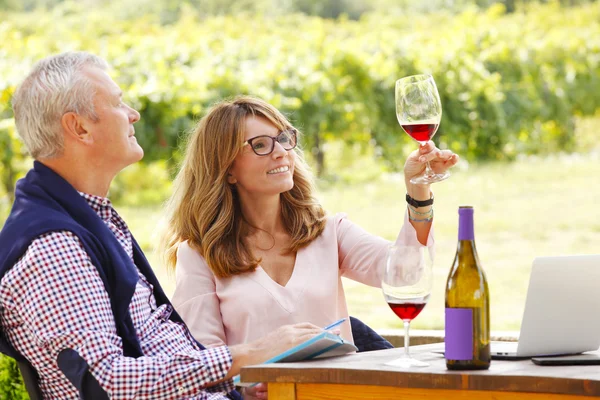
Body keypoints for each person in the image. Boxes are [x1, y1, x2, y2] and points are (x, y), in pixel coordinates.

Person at [0, 52, 324, 400]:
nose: (133, 114)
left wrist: (237, 386)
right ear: (79, 127)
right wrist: (249, 354)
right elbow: (106, 381)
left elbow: (149, 347)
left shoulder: (87, 220)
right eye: (118, 102)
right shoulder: (53, 247)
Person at [161, 96, 459, 398]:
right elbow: (202, 367)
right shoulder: (199, 255)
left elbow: (407, 273)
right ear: (227, 169)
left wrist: (418, 191)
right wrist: (243, 391)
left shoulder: (327, 232)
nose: (280, 152)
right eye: (260, 145)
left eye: (283, 139)